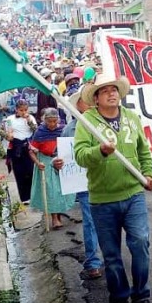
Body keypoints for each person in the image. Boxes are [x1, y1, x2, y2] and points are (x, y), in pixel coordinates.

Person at [74, 74, 152, 303]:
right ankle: (118, 298)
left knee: (140, 242)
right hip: (102, 200)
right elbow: (80, 155)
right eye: (105, 90)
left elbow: (144, 150)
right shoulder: (86, 121)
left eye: (114, 89)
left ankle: (142, 295)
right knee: (111, 255)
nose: (112, 93)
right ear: (96, 98)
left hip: (133, 194)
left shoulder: (132, 118)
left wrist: (149, 174)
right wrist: (100, 150)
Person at [53, 86, 103, 280]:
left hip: (108, 182)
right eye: (85, 100)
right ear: (79, 105)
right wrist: (57, 165)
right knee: (90, 222)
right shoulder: (69, 129)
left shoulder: (106, 123)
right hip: (85, 184)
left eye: (92, 99)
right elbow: (63, 160)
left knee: (110, 223)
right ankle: (93, 262)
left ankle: (109, 257)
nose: (89, 103)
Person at [28, 108, 76, 229]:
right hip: (46, 162)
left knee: (62, 191)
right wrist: (38, 163)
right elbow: (31, 151)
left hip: (60, 161)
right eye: (49, 121)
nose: (52, 124)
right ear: (45, 121)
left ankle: (59, 215)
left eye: (55, 121)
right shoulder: (40, 132)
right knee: (52, 192)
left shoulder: (63, 129)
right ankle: (55, 219)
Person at [0, 99, 37, 204]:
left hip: (28, 146)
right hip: (16, 147)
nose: (23, 112)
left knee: (30, 172)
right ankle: (24, 198)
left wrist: (28, 120)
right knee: (19, 172)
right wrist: (7, 136)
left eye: (25, 110)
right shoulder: (10, 119)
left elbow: (35, 130)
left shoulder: (31, 118)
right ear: (16, 110)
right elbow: (0, 130)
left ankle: (33, 195)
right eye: (21, 110)